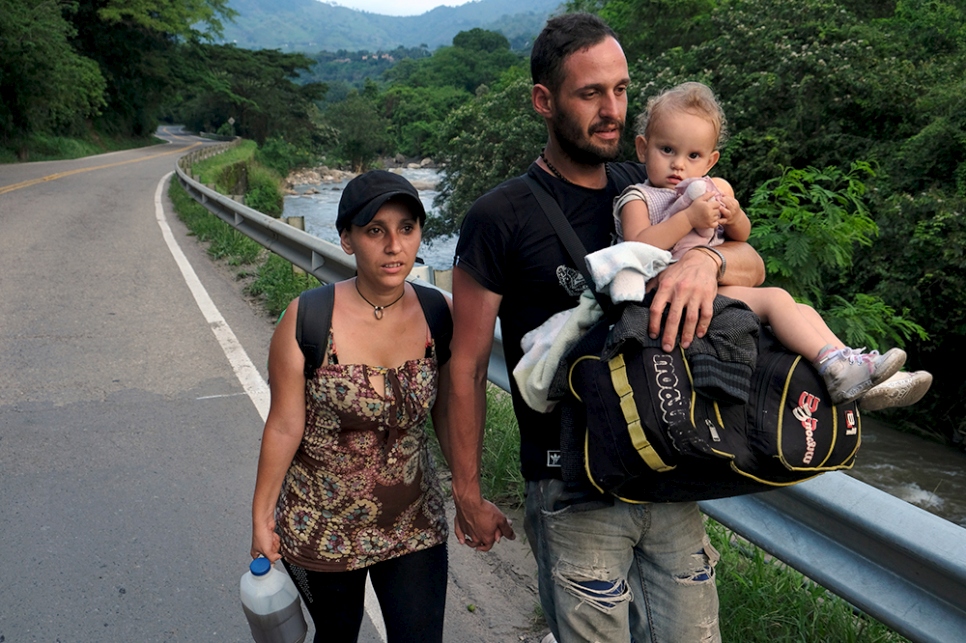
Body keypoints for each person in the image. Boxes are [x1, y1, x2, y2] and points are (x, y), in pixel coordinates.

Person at [447, 13, 766, 643]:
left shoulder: (650, 186)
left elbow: (753, 264)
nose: (611, 109)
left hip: (668, 467)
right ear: (544, 101)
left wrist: (707, 259)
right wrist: (469, 492)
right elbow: (464, 364)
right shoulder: (499, 217)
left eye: (620, 90)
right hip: (572, 485)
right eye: (591, 93)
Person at [617, 80, 929, 405]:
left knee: (802, 310)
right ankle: (836, 369)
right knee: (777, 299)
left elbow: (742, 237)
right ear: (642, 148)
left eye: (693, 155)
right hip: (667, 298)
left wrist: (734, 215)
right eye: (667, 150)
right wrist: (687, 219)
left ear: (710, 161)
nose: (679, 164)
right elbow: (636, 246)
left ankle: (857, 370)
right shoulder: (639, 198)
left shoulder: (710, 190)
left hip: (712, 287)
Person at [250, 170, 453, 643]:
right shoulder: (308, 319)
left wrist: (467, 488)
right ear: (346, 239)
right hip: (322, 523)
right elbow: (283, 426)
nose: (394, 246)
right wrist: (261, 517)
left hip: (413, 522)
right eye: (375, 230)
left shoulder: (437, 313)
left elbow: (447, 409)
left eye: (406, 228)